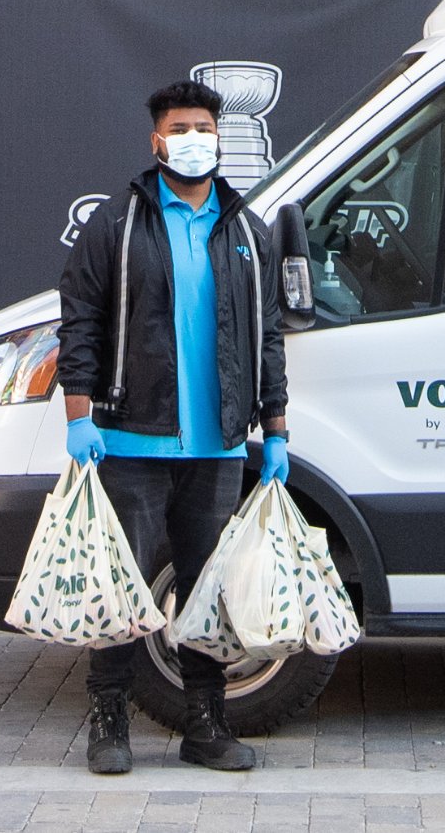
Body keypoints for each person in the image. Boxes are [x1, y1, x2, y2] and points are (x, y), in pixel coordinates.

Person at [55, 76, 291, 777]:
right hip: (132, 435)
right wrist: (78, 415)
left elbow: (267, 333)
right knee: (123, 586)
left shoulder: (246, 228)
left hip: (216, 442)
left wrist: (273, 429)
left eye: (203, 129)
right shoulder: (118, 223)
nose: (194, 141)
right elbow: (80, 319)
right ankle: (108, 722)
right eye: (180, 130)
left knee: (205, 587)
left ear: (220, 136)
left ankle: (206, 725)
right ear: (156, 140)